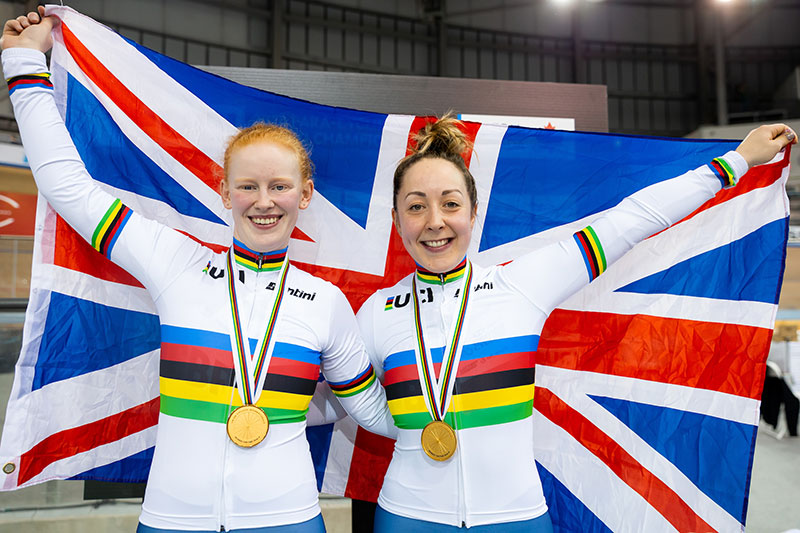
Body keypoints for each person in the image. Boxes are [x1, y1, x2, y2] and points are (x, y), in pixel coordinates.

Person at [1, 8, 396, 533]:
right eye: (248, 186)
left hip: (290, 521)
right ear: (224, 191)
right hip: (171, 521)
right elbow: (68, 188)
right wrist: (24, 65)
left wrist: (462, 406)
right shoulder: (175, 262)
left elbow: (375, 414)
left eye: (279, 186)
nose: (264, 201)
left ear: (304, 196)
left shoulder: (326, 303)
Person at [356, 113, 796, 532]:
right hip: (407, 514)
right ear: (396, 221)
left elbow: (630, 221)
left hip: (516, 517)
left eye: (450, 204)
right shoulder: (377, 312)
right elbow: (336, 398)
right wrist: (408, 421)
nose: (435, 222)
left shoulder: (521, 284)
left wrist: (735, 163)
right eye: (416, 207)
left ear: (473, 213)